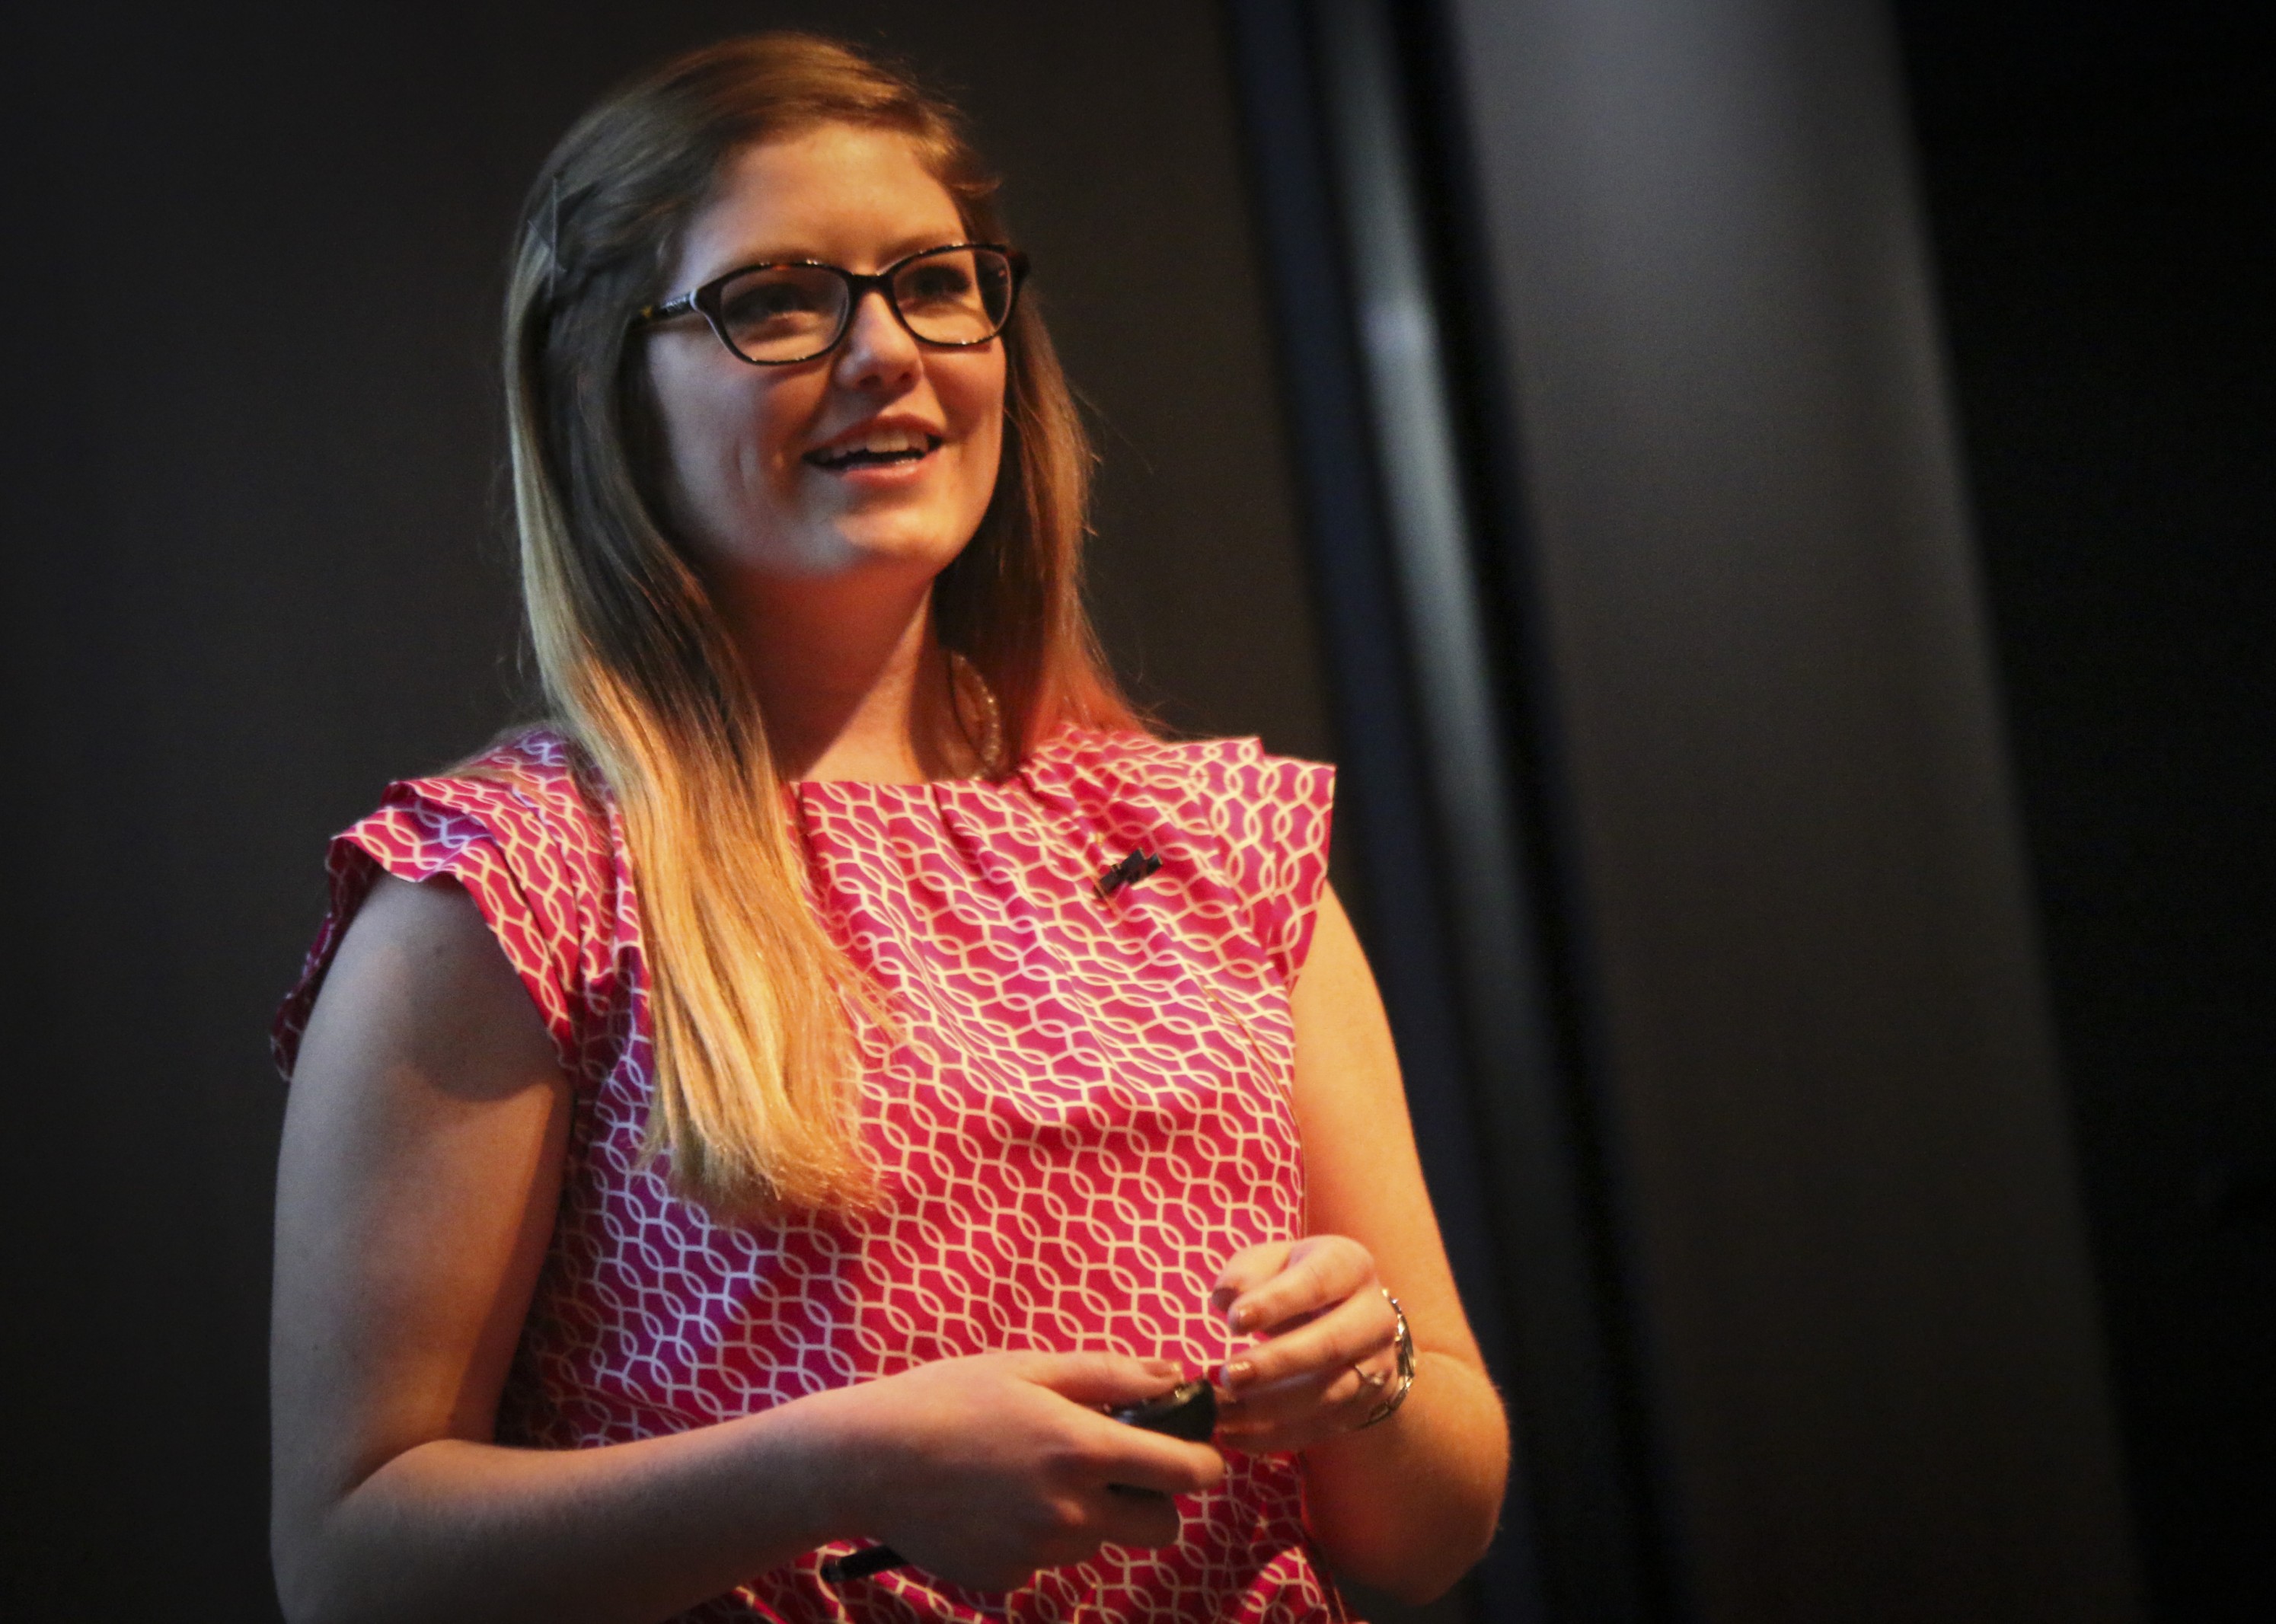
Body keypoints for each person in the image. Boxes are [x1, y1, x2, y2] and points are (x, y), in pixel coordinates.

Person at [268, 33, 1507, 1624]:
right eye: (777, 300)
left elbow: (1434, 1524)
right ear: (607, 387)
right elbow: (352, 1561)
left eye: (935, 281)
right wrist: (834, 1462)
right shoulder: (511, 885)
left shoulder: (1218, 845)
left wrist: (1370, 1374)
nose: (886, 353)